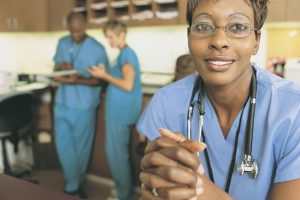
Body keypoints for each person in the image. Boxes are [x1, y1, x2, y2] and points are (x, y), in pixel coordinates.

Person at [137, 0, 300, 199]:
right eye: (204, 26)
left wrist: (200, 190)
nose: (219, 40)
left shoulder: (293, 109)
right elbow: (154, 190)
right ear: (189, 37)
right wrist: (158, 186)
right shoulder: (166, 102)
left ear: (256, 40)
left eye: (238, 27)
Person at [52, 12, 109, 198]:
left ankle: (73, 185)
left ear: (84, 26)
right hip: (62, 102)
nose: (74, 35)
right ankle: (73, 182)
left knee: (81, 148)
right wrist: (61, 67)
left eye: (77, 31)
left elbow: (101, 81)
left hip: (84, 105)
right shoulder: (62, 42)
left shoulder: (97, 48)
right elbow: (55, 69)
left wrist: (77, 80)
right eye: (71, 31)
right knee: (63, 145)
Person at [87, 19, 142, 200]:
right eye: (107, 38)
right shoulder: (123, 55)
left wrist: (103, 75)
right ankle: (122, 191)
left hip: (120, 114)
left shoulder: (127, 55)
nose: (109, 42)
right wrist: (105, 71)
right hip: (120, 112)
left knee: (116, 157)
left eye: (111, 37)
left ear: (122, 35)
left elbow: (127, 85)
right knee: (119, 155)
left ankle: (123, 195)